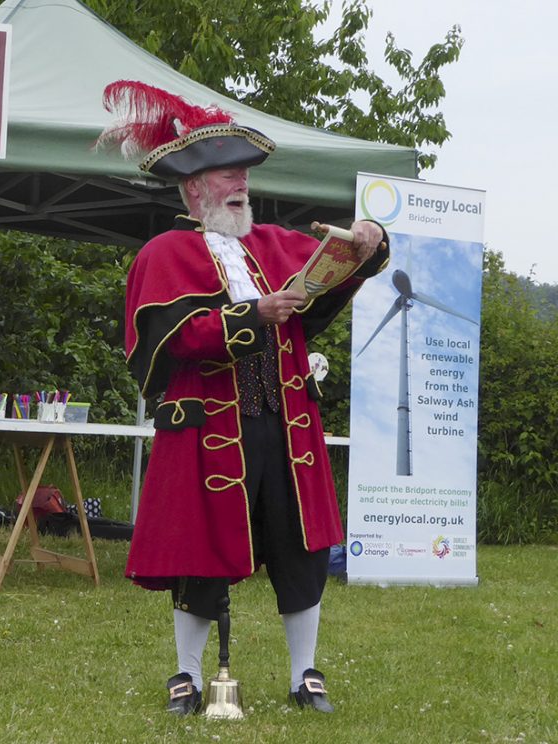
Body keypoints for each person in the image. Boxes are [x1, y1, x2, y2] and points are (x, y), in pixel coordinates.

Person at [98, 81, 389, 714]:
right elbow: (166, 339)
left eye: (243, 174)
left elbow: (330, 270)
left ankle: (304, 674)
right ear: (193, 187)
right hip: (208, 428)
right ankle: (187, 676)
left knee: (302, 545)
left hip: (286, 426)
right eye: (227, 175)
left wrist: (367, 243)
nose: (241, 184)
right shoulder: (164, 253)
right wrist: (252, 314)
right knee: (198, 553)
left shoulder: (272, 242)